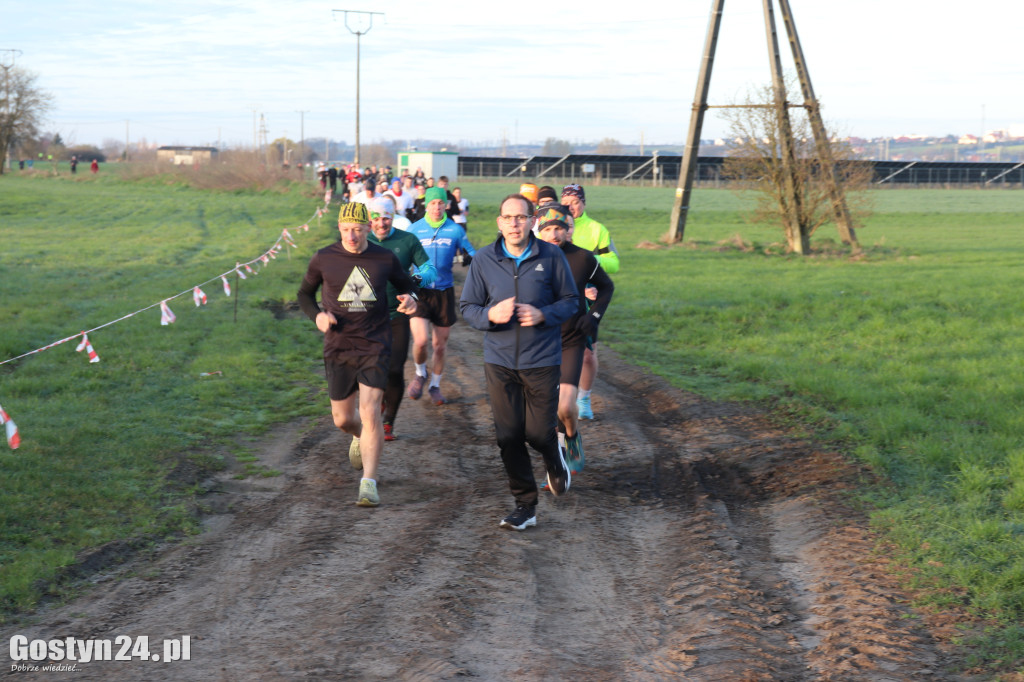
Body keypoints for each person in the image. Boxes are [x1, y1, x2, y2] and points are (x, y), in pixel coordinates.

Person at [460, 193, 579, 530]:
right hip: (499, 361)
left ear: (531, 221)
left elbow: (571, 302)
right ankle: (525, 506)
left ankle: (555, 460)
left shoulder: (552, 256)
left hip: (541, 359)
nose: (514, 223)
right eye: (508, 217)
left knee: (540, 434)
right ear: (499, 223)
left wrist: (543, 313)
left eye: (521, 217)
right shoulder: (484, 260)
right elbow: (468, 307)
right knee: (508, 435)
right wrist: (490, 315)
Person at [296, 202, 420, 507]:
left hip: (375, 344)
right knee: (342, 419)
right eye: (346, 229)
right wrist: (318, 317)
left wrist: (412, 300)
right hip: (338, 346)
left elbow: (407, 286)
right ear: (339, 228)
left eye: (358, 229)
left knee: (370, 410)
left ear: (368, 228)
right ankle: (359, 436)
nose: (351, 236)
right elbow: (303, 294)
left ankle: (369, 483)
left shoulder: (384, 257)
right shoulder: (324, 258)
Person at [534, 204, 614, 475]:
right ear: (540, 232)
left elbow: (607, 287)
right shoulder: (528, 258)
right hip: (538, 342)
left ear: (568, 231)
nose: (554, 234)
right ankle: (556, 465)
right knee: (545, 411)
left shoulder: (583, 258)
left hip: (571, 339)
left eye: (559, 228)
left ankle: (571, 437)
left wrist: (594, 317)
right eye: (548, 229)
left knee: (567, 407)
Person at [366, 197, 437, 442]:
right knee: (372, 370)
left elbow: (430, 269)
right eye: (375, 218)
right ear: (369, 220)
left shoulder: (406, 240)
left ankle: (388, 423)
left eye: (385, 218)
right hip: (366, 318)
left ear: (393, 217)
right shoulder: (360, 241)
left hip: (397, 315)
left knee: (395, 369)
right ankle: (377, 404)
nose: (381, 223)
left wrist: (416, 282)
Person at [407, 187, 477, 405]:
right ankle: (420, 373)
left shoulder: (455, 230)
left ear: (446, 204)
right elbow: (403, 260)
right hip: (420, 291)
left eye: (440, 203)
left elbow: (471, 252)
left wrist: (470, 257)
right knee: (420, 341)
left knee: (440, 346)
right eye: (433, 203)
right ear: (426, 205)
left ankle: (435, 385)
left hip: (444, 292)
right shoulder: (414, 229)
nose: (437, 207)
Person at [560, 183, 620, 420]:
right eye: (566, 202)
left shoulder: (597, 229)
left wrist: (588, 262)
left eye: (575, 202)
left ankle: (583, 399)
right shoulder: (554, 227)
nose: (571, 207)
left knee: (587, 352)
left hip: (589, 299)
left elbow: (614, 262)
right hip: (559, 298)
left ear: (584, 203)